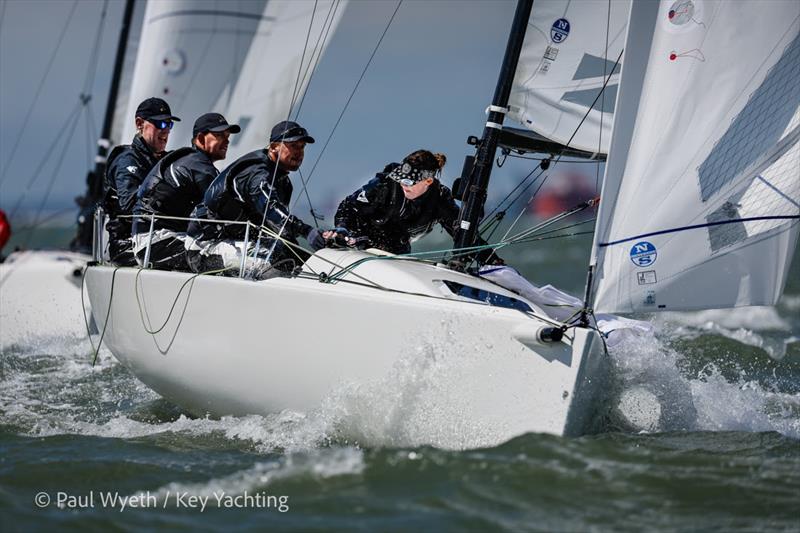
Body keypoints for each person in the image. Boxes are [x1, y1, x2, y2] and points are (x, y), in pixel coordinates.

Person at [186, 120, 335, 278]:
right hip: (203, 249)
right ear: (273, 147)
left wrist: (314, 248)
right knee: (281, 262)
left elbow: (280, 230)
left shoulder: (284, 183)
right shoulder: (256, 173)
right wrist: (307, 231)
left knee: (298, 258)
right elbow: (271, 208)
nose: (299, 153)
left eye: (302, 147)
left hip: (233, 243)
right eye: (293, 146)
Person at [335, 149, 502, 265]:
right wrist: (342, 230)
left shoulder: (439, 200)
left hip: (394, 251)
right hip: (357, 241)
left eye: (408, 182)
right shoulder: (384, 186)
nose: (403, 184)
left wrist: (492, 261)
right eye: (401, 178)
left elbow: (463, 235)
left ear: (428, 181)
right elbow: (348, 206)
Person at [131, 113, 241, 270]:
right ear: (201, 138)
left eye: (227, 135)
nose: (227, 140)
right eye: (219, 135)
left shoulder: (191, 160)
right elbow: (226, 210)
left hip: (152, 242)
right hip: (159, 243)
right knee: (238, 257)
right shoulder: (200, 167)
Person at [102, 97, 180, 265]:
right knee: (192, 256)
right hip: (128, 245)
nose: (165, 131)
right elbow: (130, 205)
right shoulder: (127, 160)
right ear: (139, 123)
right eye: (160, 124)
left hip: (159, 238)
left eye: (169, 125)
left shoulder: (165, 161)